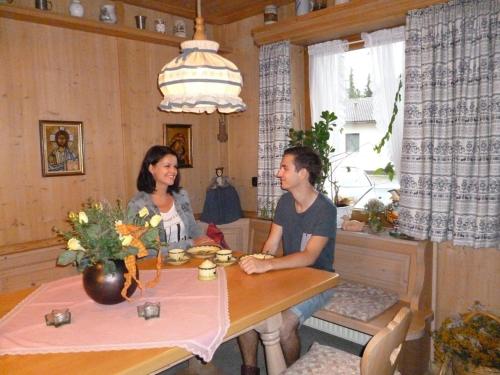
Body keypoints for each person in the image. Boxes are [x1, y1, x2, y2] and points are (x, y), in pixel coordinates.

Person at [238, 146, 337, 375]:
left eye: (284, 167)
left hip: (320, 279)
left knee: (283, 327)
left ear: (303, 174)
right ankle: (249, 370)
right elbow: (272, 244)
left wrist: (268, 265)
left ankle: (293, 371)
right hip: (289, 275)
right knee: (246, 311)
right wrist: (257, 262)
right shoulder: (284, 202)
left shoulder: (325, 209)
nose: (278, 173)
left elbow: (309, 256)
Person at [127, 145, 214, 253]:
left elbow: (192, 227)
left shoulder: (181, 195)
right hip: (155, 267)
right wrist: (190, 244)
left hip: (186, 261)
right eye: (167, 166)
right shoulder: (137, 204)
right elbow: (145, 249)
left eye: (175, 166)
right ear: (151, 168)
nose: (173, 171)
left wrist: (206, 242)